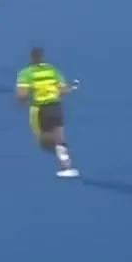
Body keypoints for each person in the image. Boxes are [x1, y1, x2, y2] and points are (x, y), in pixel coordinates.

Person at [15, 47, 79, 178]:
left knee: (42, 139)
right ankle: (67, 166)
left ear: (31, 58)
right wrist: (70, 88)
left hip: (39, 109)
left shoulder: (26, 73)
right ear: (43, 57)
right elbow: (63, 91)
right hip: (55, 106)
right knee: (60, 138)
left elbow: (22, 94)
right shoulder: (53, 70)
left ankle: (52, 146)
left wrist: (21, 102)